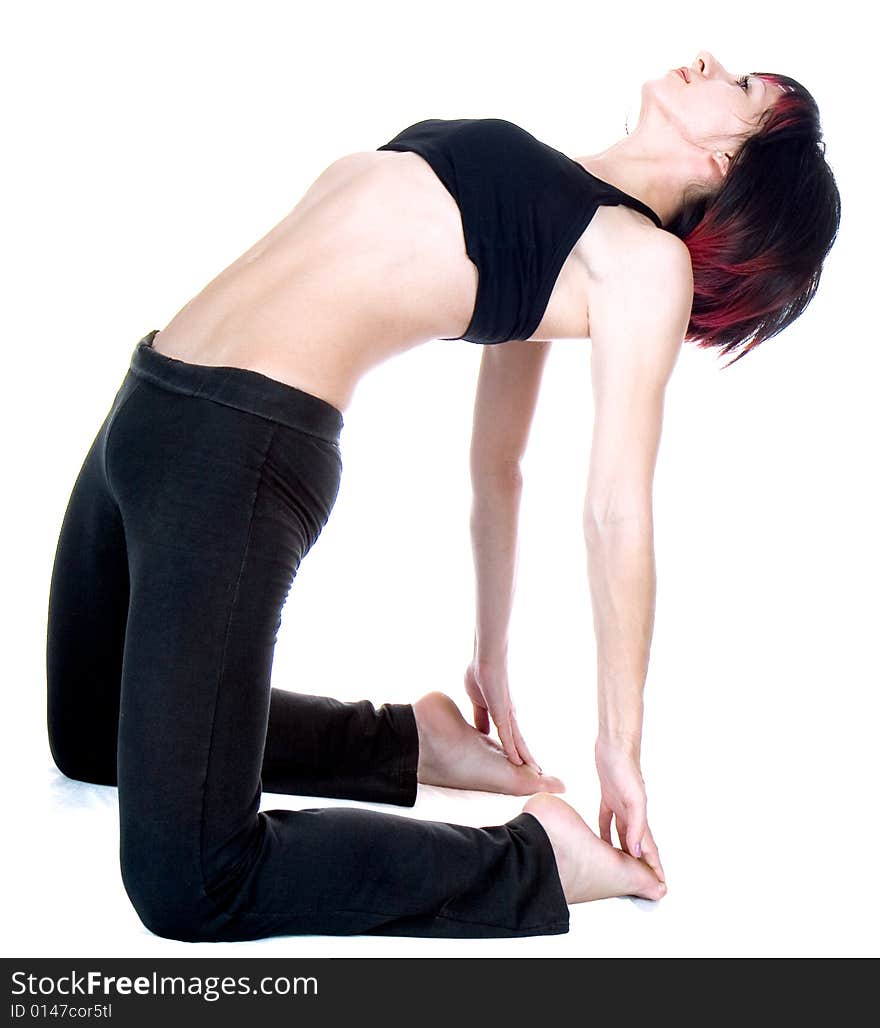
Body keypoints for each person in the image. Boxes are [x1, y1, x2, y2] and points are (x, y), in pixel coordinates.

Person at [45, 49, 840, 942]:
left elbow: (617, 511)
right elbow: (496, 468)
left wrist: (619, 747)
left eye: (740, 89)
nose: (707, 63)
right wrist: (487, 657)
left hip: (237, 450)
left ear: (727, 167)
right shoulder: (558, 189)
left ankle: (539, 859)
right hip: (149, 402)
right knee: (86, 727)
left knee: (190, 882)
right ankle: (412, 742)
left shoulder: (642, 261)